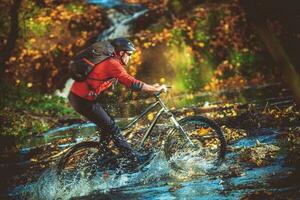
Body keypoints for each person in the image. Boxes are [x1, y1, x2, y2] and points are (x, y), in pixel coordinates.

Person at [68, 38, 167, 165]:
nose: (130, 58)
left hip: (83, 98)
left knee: (108, 123)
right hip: (82, 100)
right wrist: (154, 89)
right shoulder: (112, 63)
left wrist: (150, 87)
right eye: (129, 55)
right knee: (112, 127)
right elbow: (132, 82)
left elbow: (127, 82)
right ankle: (134, 159)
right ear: (121, 53)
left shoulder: (110, 62)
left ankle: (103, 154)